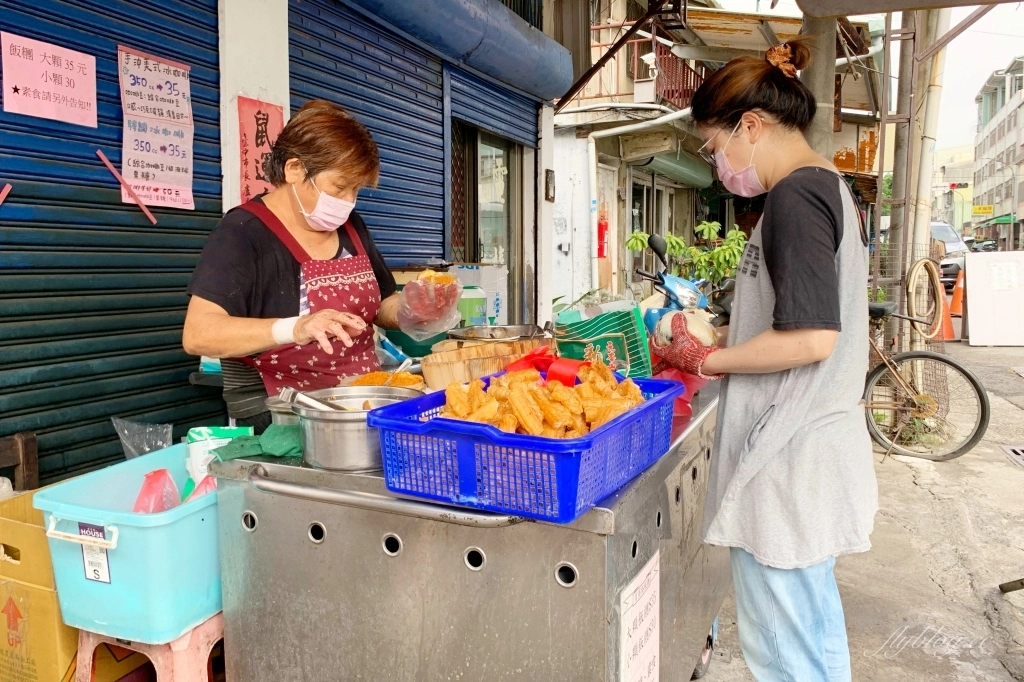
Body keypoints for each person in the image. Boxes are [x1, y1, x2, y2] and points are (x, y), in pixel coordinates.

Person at [652, 41, 876, 681]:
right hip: (806, 450)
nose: (717, 164)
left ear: (750, 126)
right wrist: (724, 334)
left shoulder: (796, 198)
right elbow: (790, 320)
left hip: (790, 458)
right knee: (808, 634)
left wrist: (710, 358)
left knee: (786, 654)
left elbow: (809, 339)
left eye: (713, 147)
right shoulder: (825, 188)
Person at [182, 100, 403, 432]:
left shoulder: (351, 225)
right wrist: (295, 328)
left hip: (359, 402)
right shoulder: (243, 232)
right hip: (283, 413)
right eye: (339, 187)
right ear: (295, 170)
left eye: (355, 190)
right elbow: (198, 335)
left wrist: (413, 311)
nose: (347, 201)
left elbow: (383, 305)